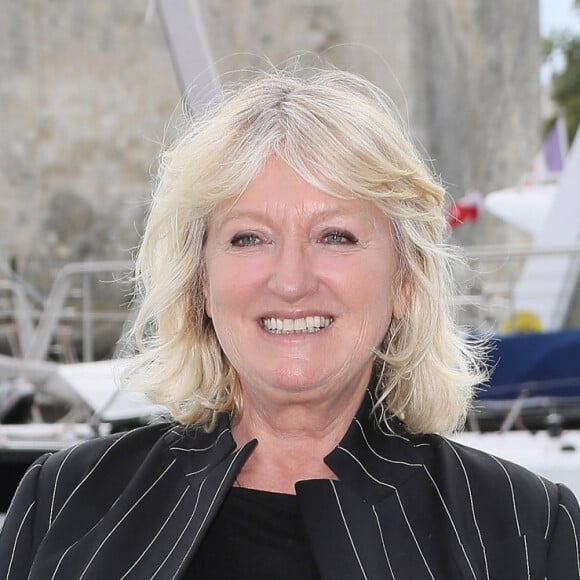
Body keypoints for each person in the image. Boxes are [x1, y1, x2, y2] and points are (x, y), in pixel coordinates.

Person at [1, 64, 579, 580]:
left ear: (404, 282)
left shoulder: (529, 530)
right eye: (249, 237)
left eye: (336, 236)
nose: (291, 280)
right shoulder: (62, 503)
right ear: (201, 283)